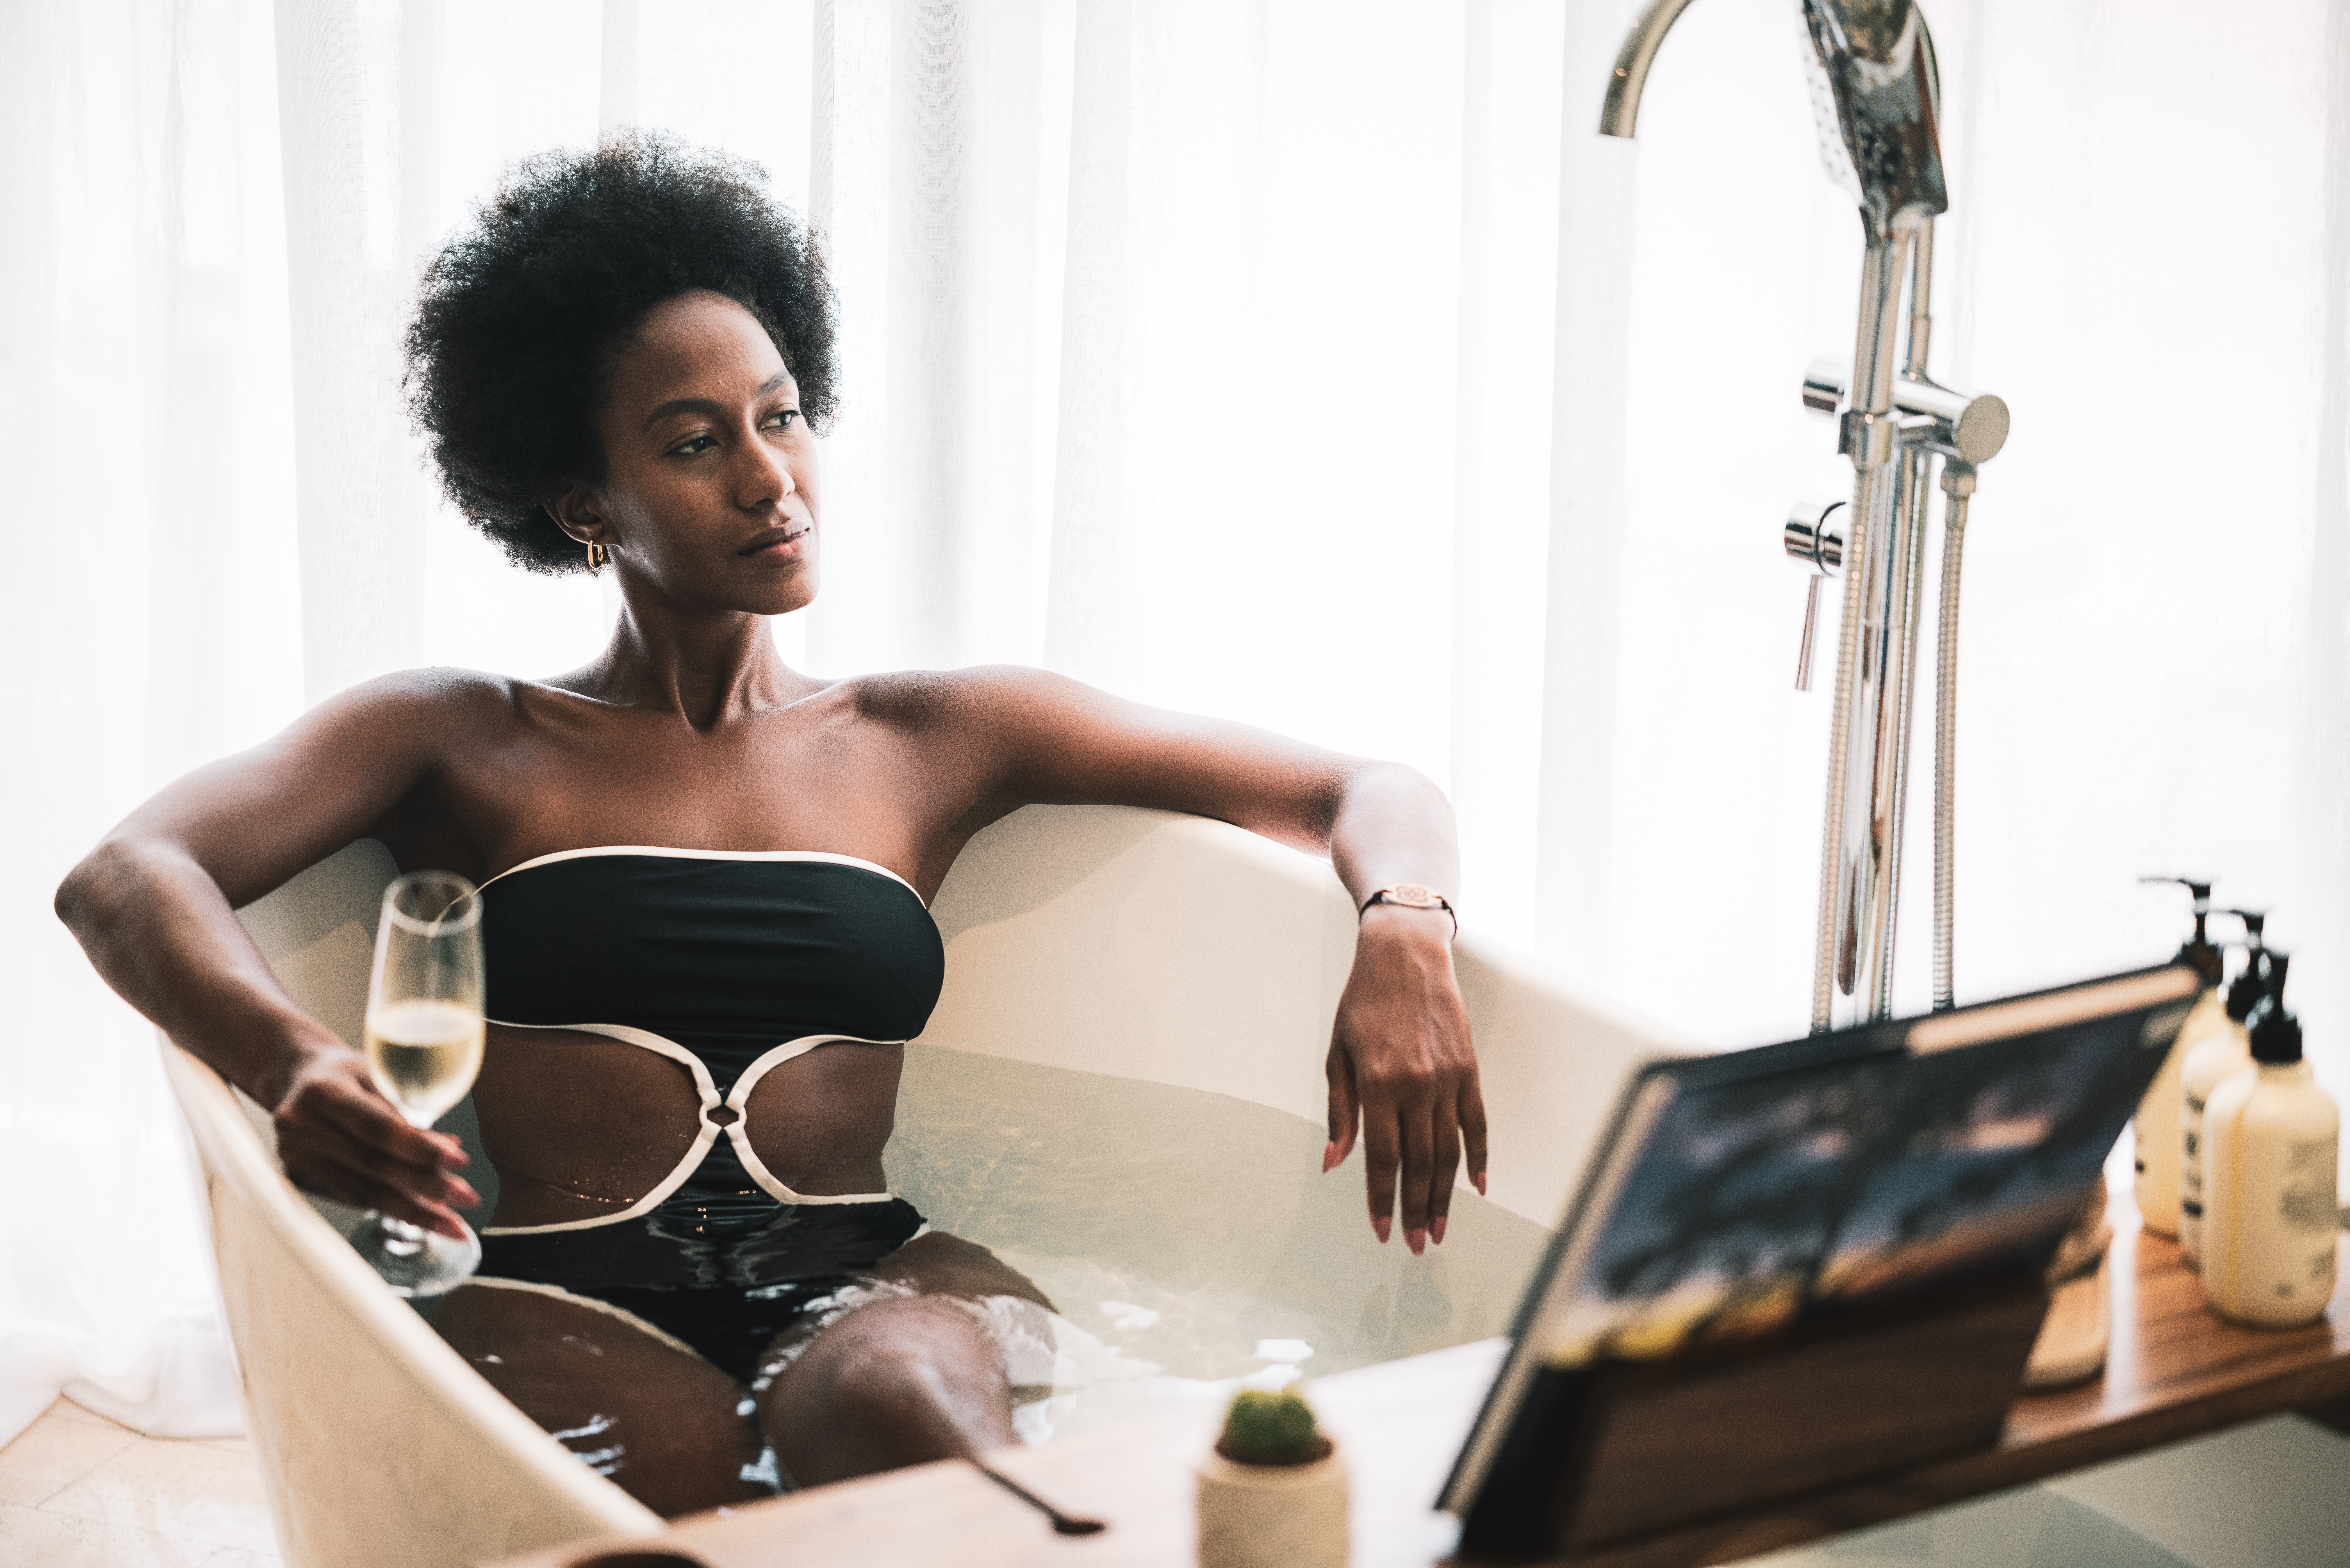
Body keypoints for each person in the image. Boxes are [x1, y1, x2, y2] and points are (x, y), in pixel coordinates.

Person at [55, 135, 1484, 1516]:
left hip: (876, 1276)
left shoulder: (934, 735)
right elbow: (128, 874)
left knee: (904, 1416)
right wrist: (293, 1061)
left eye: (782, 413)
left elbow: (1370, 790)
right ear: (584, 503)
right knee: (668, 1471)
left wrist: (1403, 931)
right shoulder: (459, 735)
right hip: (559, 1284)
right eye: (694, 441)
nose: (770, 475)